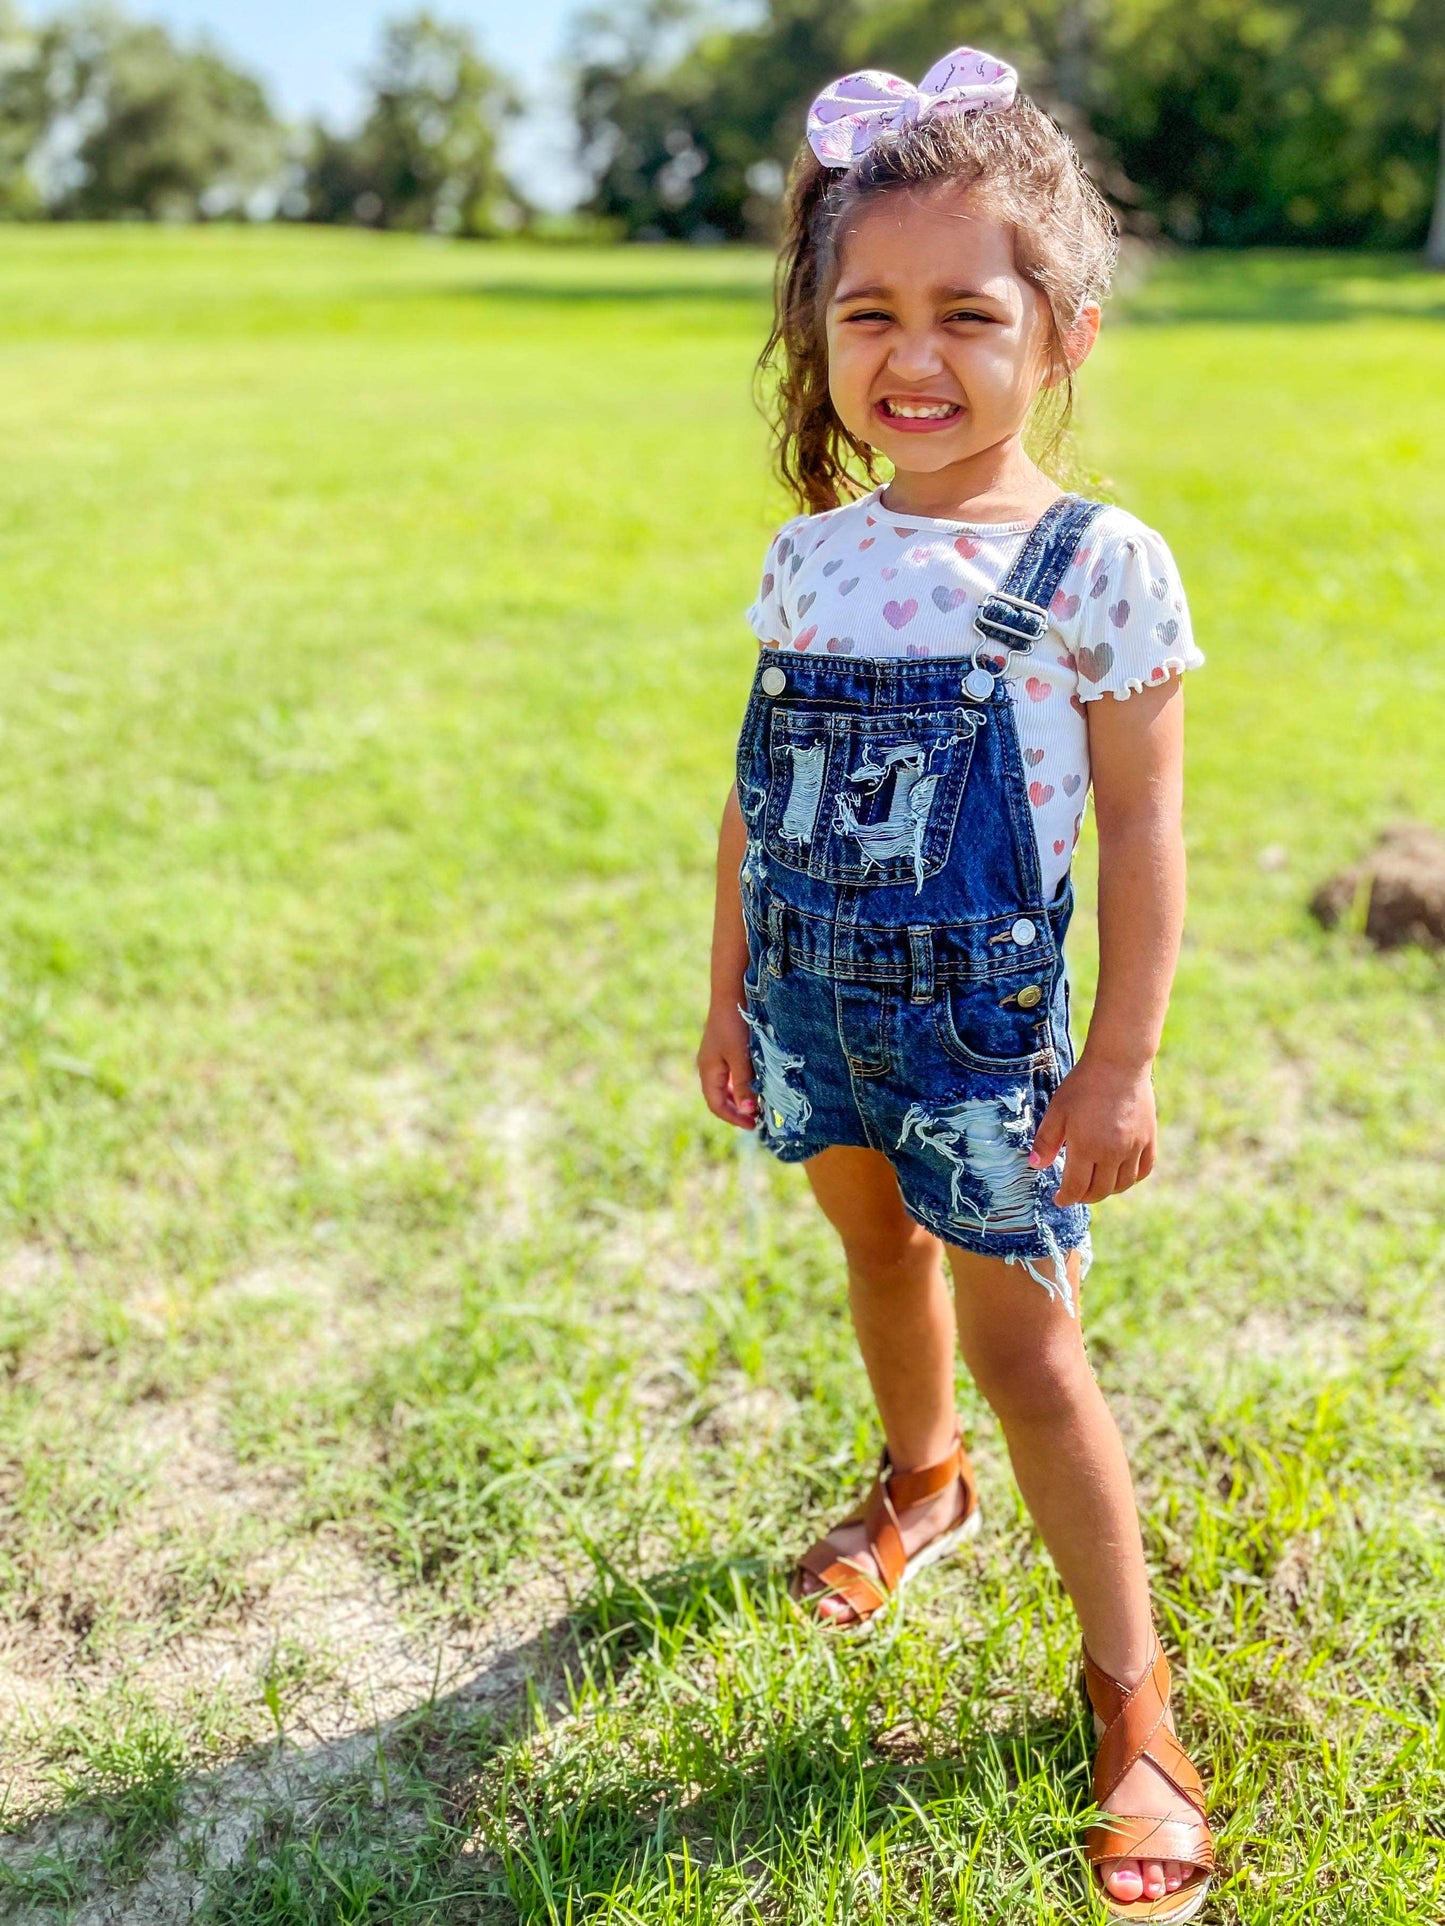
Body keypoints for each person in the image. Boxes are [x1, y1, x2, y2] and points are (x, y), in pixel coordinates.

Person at [696, 47, 1215, 1923]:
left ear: (1059, 332)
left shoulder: (1098, 564)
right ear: (818, 332)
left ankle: (1131, 1699)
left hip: (990, 1052)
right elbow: (755, 797)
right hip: (817, 1016)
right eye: (869, 313)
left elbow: (1146, 838)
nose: (911, 356)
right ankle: (916, 1484)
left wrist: (1120, 1063)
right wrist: (727, 989)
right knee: (869, 1254)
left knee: (1032, 1352)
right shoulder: (811, 556)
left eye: (964, 315)